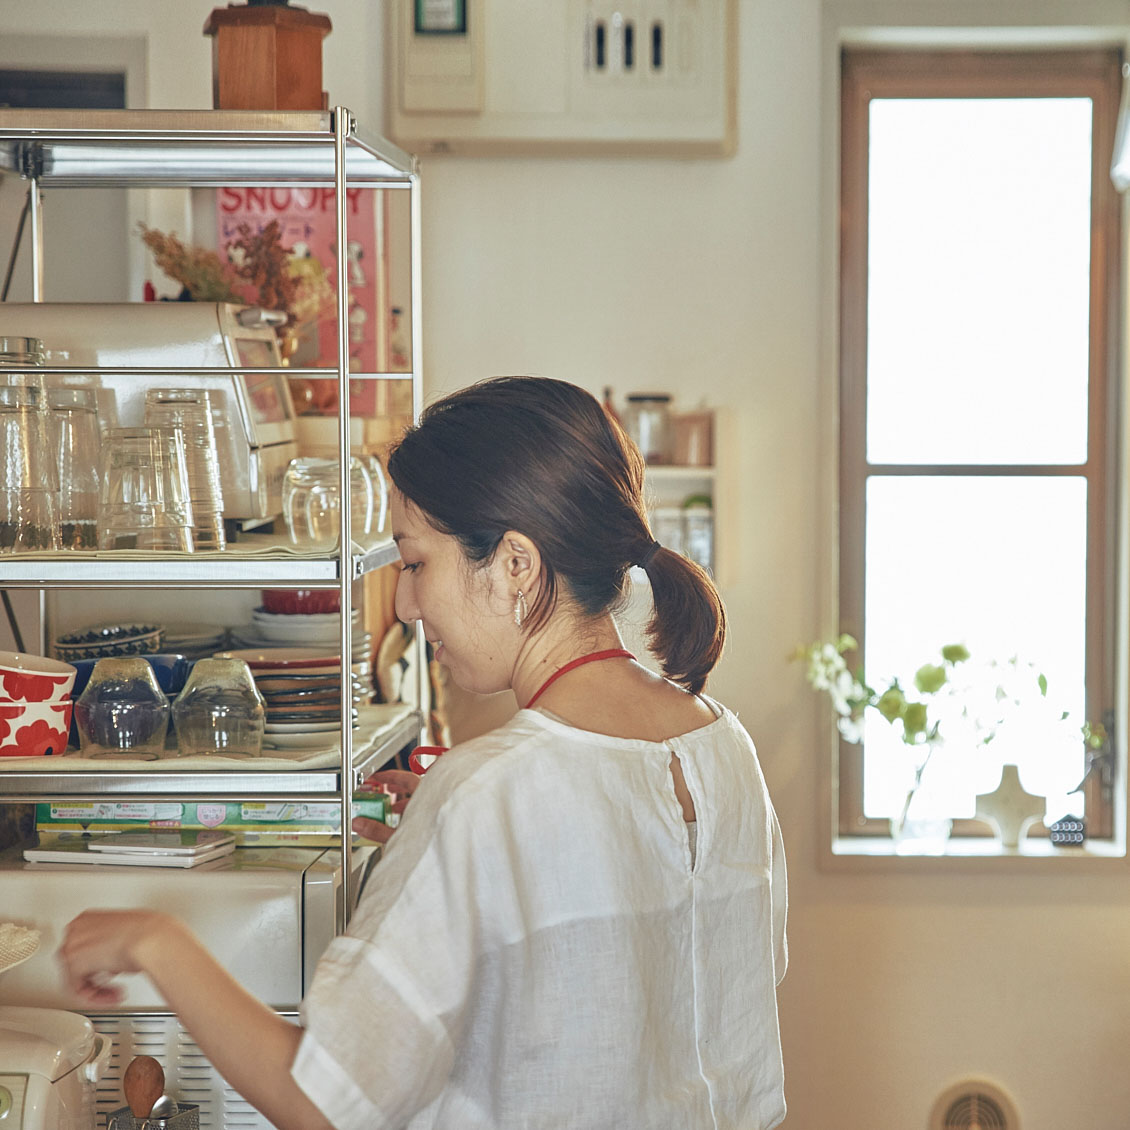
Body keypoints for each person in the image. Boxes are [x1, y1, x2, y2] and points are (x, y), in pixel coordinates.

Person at [58, 376, 788, 1130]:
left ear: (515, 564)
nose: (404, 606)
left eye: (414, 564)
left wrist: (156, 939)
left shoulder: (486, 794)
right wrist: (455, 846)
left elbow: (324, 1104)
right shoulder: (724, 746)